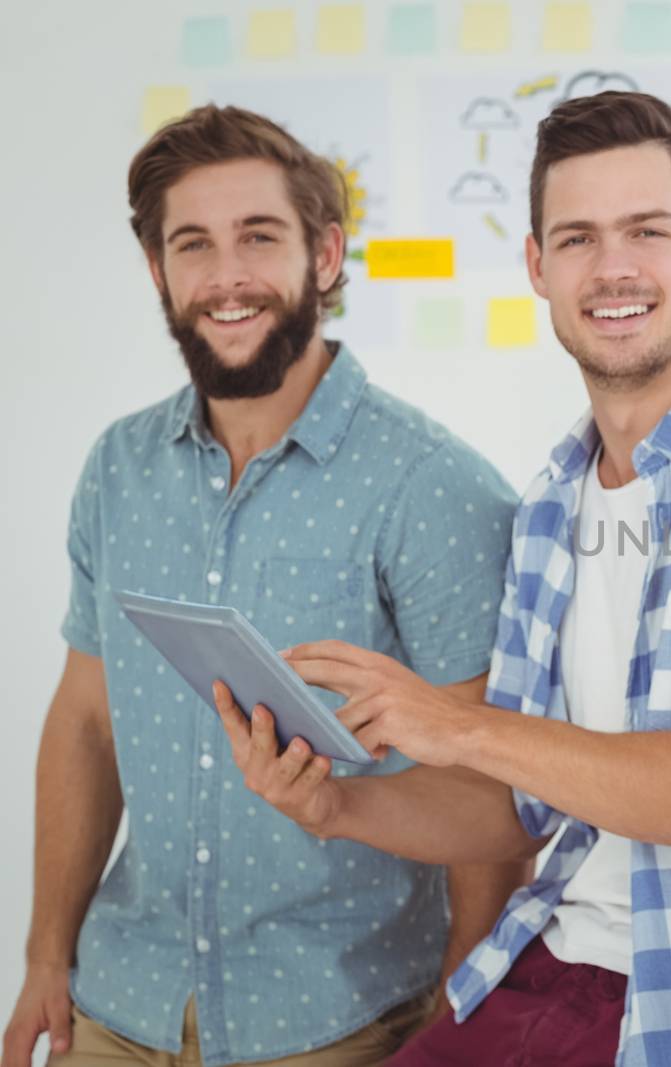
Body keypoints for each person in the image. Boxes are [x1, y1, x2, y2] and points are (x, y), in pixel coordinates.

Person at [213, 92, 671, 1067]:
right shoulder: (548, 498)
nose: (613, 267)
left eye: (647, 231)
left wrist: (461, 725)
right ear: (537, 266)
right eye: (577, 237)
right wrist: (335, 805)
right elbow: (516, 808)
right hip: (549, 956)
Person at [2, 105, 522, 1067]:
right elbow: (85, 720)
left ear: (325, 255)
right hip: (120, 1000)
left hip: (340, 1021)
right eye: (193, 244)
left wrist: (462, 1009)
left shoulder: (437, 488)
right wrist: (43, 952)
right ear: (158, 273)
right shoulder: (117, 470)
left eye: (260, 237)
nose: (227, 276)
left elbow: (492, 780)